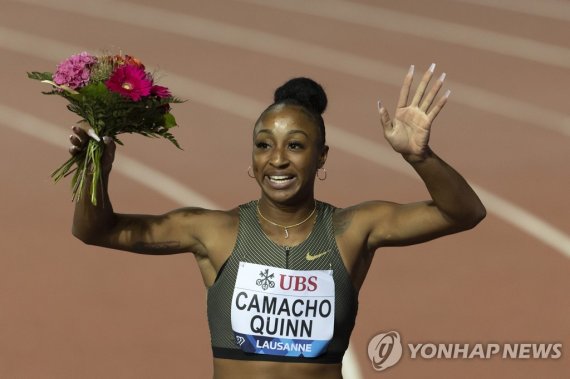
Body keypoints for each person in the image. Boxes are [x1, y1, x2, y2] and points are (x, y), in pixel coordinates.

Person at [69, 64, 486, 379]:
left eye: (296, 145)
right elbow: (96, 230)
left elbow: (463, 213)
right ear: (251, 158)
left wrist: (419, 157)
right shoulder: (215, 232)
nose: (278, 159)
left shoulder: (352, 229)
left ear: (322, 157)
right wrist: (95, 165)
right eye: (264, 145)